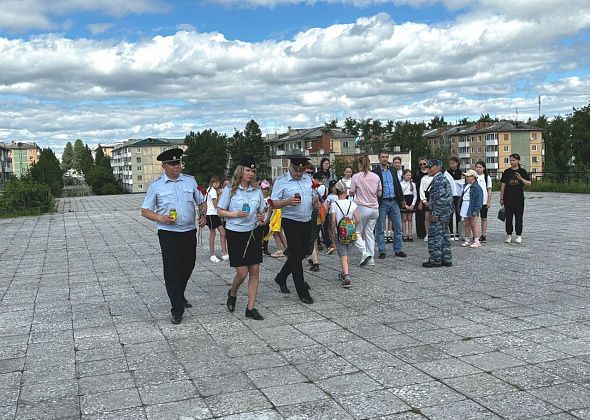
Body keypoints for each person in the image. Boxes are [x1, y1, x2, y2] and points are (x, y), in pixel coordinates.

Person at [140, 148, 205, 325]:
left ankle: (179, 293)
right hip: (168, 233)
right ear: (164, 166)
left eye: (179, 163)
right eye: (173, 164)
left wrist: (203, 215)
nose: (177, 166)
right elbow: (145, 210)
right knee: (172, 270)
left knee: (188, 265)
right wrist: (160, 217)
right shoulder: (156, 186)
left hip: (189, 231)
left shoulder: (190, 181)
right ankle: (177, 308)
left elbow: (202, 201)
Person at [216, 156, 267, 320]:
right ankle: (233, 292)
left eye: (253, 171)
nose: (250, 173)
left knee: (255, 270)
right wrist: (235, 214)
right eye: (247, 170)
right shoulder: (230, 189)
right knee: (242, 273)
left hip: (252, 232)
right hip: (235, 233)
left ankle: (250, 308)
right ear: (240, 171)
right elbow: (220, 211)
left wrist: (261, 217)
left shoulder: (257, 191)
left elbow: (262, 211)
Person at [271, 156, 320, 304]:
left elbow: (312, 195)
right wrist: (287, 202)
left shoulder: (307, 179)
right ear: (290, 167)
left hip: (306, 220)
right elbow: (273, 203)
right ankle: (302, 291)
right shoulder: (281, 182)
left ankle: (281, 277)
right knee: (297, 254)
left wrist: (315, 202)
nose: (298, 174)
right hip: (290, 221)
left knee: (301, 254)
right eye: (296, 170)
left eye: (301, 170)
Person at [373, 150, 406, 260]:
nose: (385, 159)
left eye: (386, 157)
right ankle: (382, 250)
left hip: (394, 201)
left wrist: (402, 199)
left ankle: (398, 249)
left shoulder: (393, 170)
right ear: (379, 158)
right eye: (383, 157)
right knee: (380, 228)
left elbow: (397, 185)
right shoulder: (375, 172)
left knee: (398, 227)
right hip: (382, 203)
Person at [349, 155, 382, 267]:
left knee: (355, 231)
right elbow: (379, 193)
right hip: (375, 208)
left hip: (362, 207)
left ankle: (365, 252)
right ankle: (371, 259)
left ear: (359, 164)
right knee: (369, 233)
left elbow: (351, 192)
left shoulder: (356, 177)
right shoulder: (376, 176)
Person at [422, 160, 454, 268]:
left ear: (437, 167)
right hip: (445, 213)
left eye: (430, 167)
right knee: (444, 235)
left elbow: (440, 199)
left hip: (439, 213)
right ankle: (446, 258)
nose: (428, 169)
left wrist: (435, 214)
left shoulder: (439, 180)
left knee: (435, 236)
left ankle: (435, 259)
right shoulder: (442, 178)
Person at [330, 181, 360, 288]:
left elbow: (333, 221)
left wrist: (333, 232)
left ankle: (346, 277)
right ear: (346, 191)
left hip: (340, 233)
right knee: (347, 253)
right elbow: (357, 219)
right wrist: (352, 229)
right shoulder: (352, 204)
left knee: (343, 255)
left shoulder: (334, 204)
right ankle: (344, 273)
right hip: (350, 234)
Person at [500, 153, 531, 243]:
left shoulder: (522, 171)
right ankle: (509, 235)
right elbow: (503, 185)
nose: (511, 162)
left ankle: (518, 235)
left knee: (518, 217)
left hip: (519, 198)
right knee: (508, 217)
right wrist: (501, 198)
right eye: (510, 160)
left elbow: (529, 184)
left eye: (513, 160)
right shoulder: (506, 172)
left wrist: (520, 178)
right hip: (508, 198)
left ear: (518, 161)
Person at [205, 176, 229, 263]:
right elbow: (216, 205)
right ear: (214, 183)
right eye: (218, 183)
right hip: (212, 214)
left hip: (213, 214)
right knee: (213, 234)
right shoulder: (213, 191)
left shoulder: (208, 190)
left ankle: (224, 253)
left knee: (222, 232)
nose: (219, 185)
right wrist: (220, 196)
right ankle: (213, 254)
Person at [459, 169, 483, 248]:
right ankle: (467, 240)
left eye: (468, 176)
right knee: (467, 224)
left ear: (473, 177)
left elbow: (479, 200)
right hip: (465, 205)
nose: (466, 178)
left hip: (471, 206)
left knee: (474, 224)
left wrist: (476, 210)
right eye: (466, 176)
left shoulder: (477, 187)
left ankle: (477, 241)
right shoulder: (466, 185)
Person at [317, 157, 336, 252]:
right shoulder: (319, 174)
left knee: (327, 222)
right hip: (321, 198)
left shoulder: (331, 174)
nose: (326, 165)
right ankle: (319, 242)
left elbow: (335, 184)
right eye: (325, 163)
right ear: (322, 164)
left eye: (328, 163)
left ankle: (328, 240)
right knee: (320, 222)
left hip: (330, 196)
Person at [475, 161, 492, 243]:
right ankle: (476, 234)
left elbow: (489, 190)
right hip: (475, 202)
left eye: (480, 167)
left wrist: (488, 201)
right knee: (474, 219)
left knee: (484, 218)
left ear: (484, 168)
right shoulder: (473, 177)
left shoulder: (487, 177)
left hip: (484, 201)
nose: (478, 169)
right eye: (477, 167)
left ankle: (483, 234)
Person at [445, 157, 463, 241]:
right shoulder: (447, 173)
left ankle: (458, 233)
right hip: (450, 195)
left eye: (453, 163)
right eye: (450, 163)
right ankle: (451, 233)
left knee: (458, 214)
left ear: (457, 163)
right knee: (450, 214)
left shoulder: (461, 173)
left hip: (459, 196)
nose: (452, 165)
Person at [415, 157, 429, 239]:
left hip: (428, 195)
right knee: (420, 214)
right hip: (419, 195)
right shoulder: (417, 173)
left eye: (424, 164)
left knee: (428, 215)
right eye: (421, 164)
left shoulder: (430, 172)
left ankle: (428, 232)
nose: (423, 166)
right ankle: (421, 232)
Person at [400, 169, 417, 241]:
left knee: (410, 219)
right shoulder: (400, 184)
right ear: (403, 176)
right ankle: (404, 234)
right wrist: (405, 205)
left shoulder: (412, 184)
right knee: (404, 219)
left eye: (410, 175)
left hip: (410, 201)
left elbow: (415, 195)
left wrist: (412, 205)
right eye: (407, 175)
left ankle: (410, 234)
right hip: (404, 201)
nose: (409, 176)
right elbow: (400, 195)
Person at [419, 166, 434, 242]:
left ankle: (434, 233)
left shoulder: (436, 178)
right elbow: (421, 189)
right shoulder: (424, 178)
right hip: (427, 196)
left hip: (434, 197)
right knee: (427, 217)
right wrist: (424, 200)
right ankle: (427, 234)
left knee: (434, 216)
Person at [260, 180, 272, 256]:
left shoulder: (269, 199)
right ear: (261, 189)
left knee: (266, 235)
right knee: (259, 234)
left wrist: (268, 219)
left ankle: (265, 248)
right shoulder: (259, 198)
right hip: (260, 219)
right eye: (264, 189)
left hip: (267, 219)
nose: (266, 191)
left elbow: (271, 210)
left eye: (267, 189)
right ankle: (259, 247)